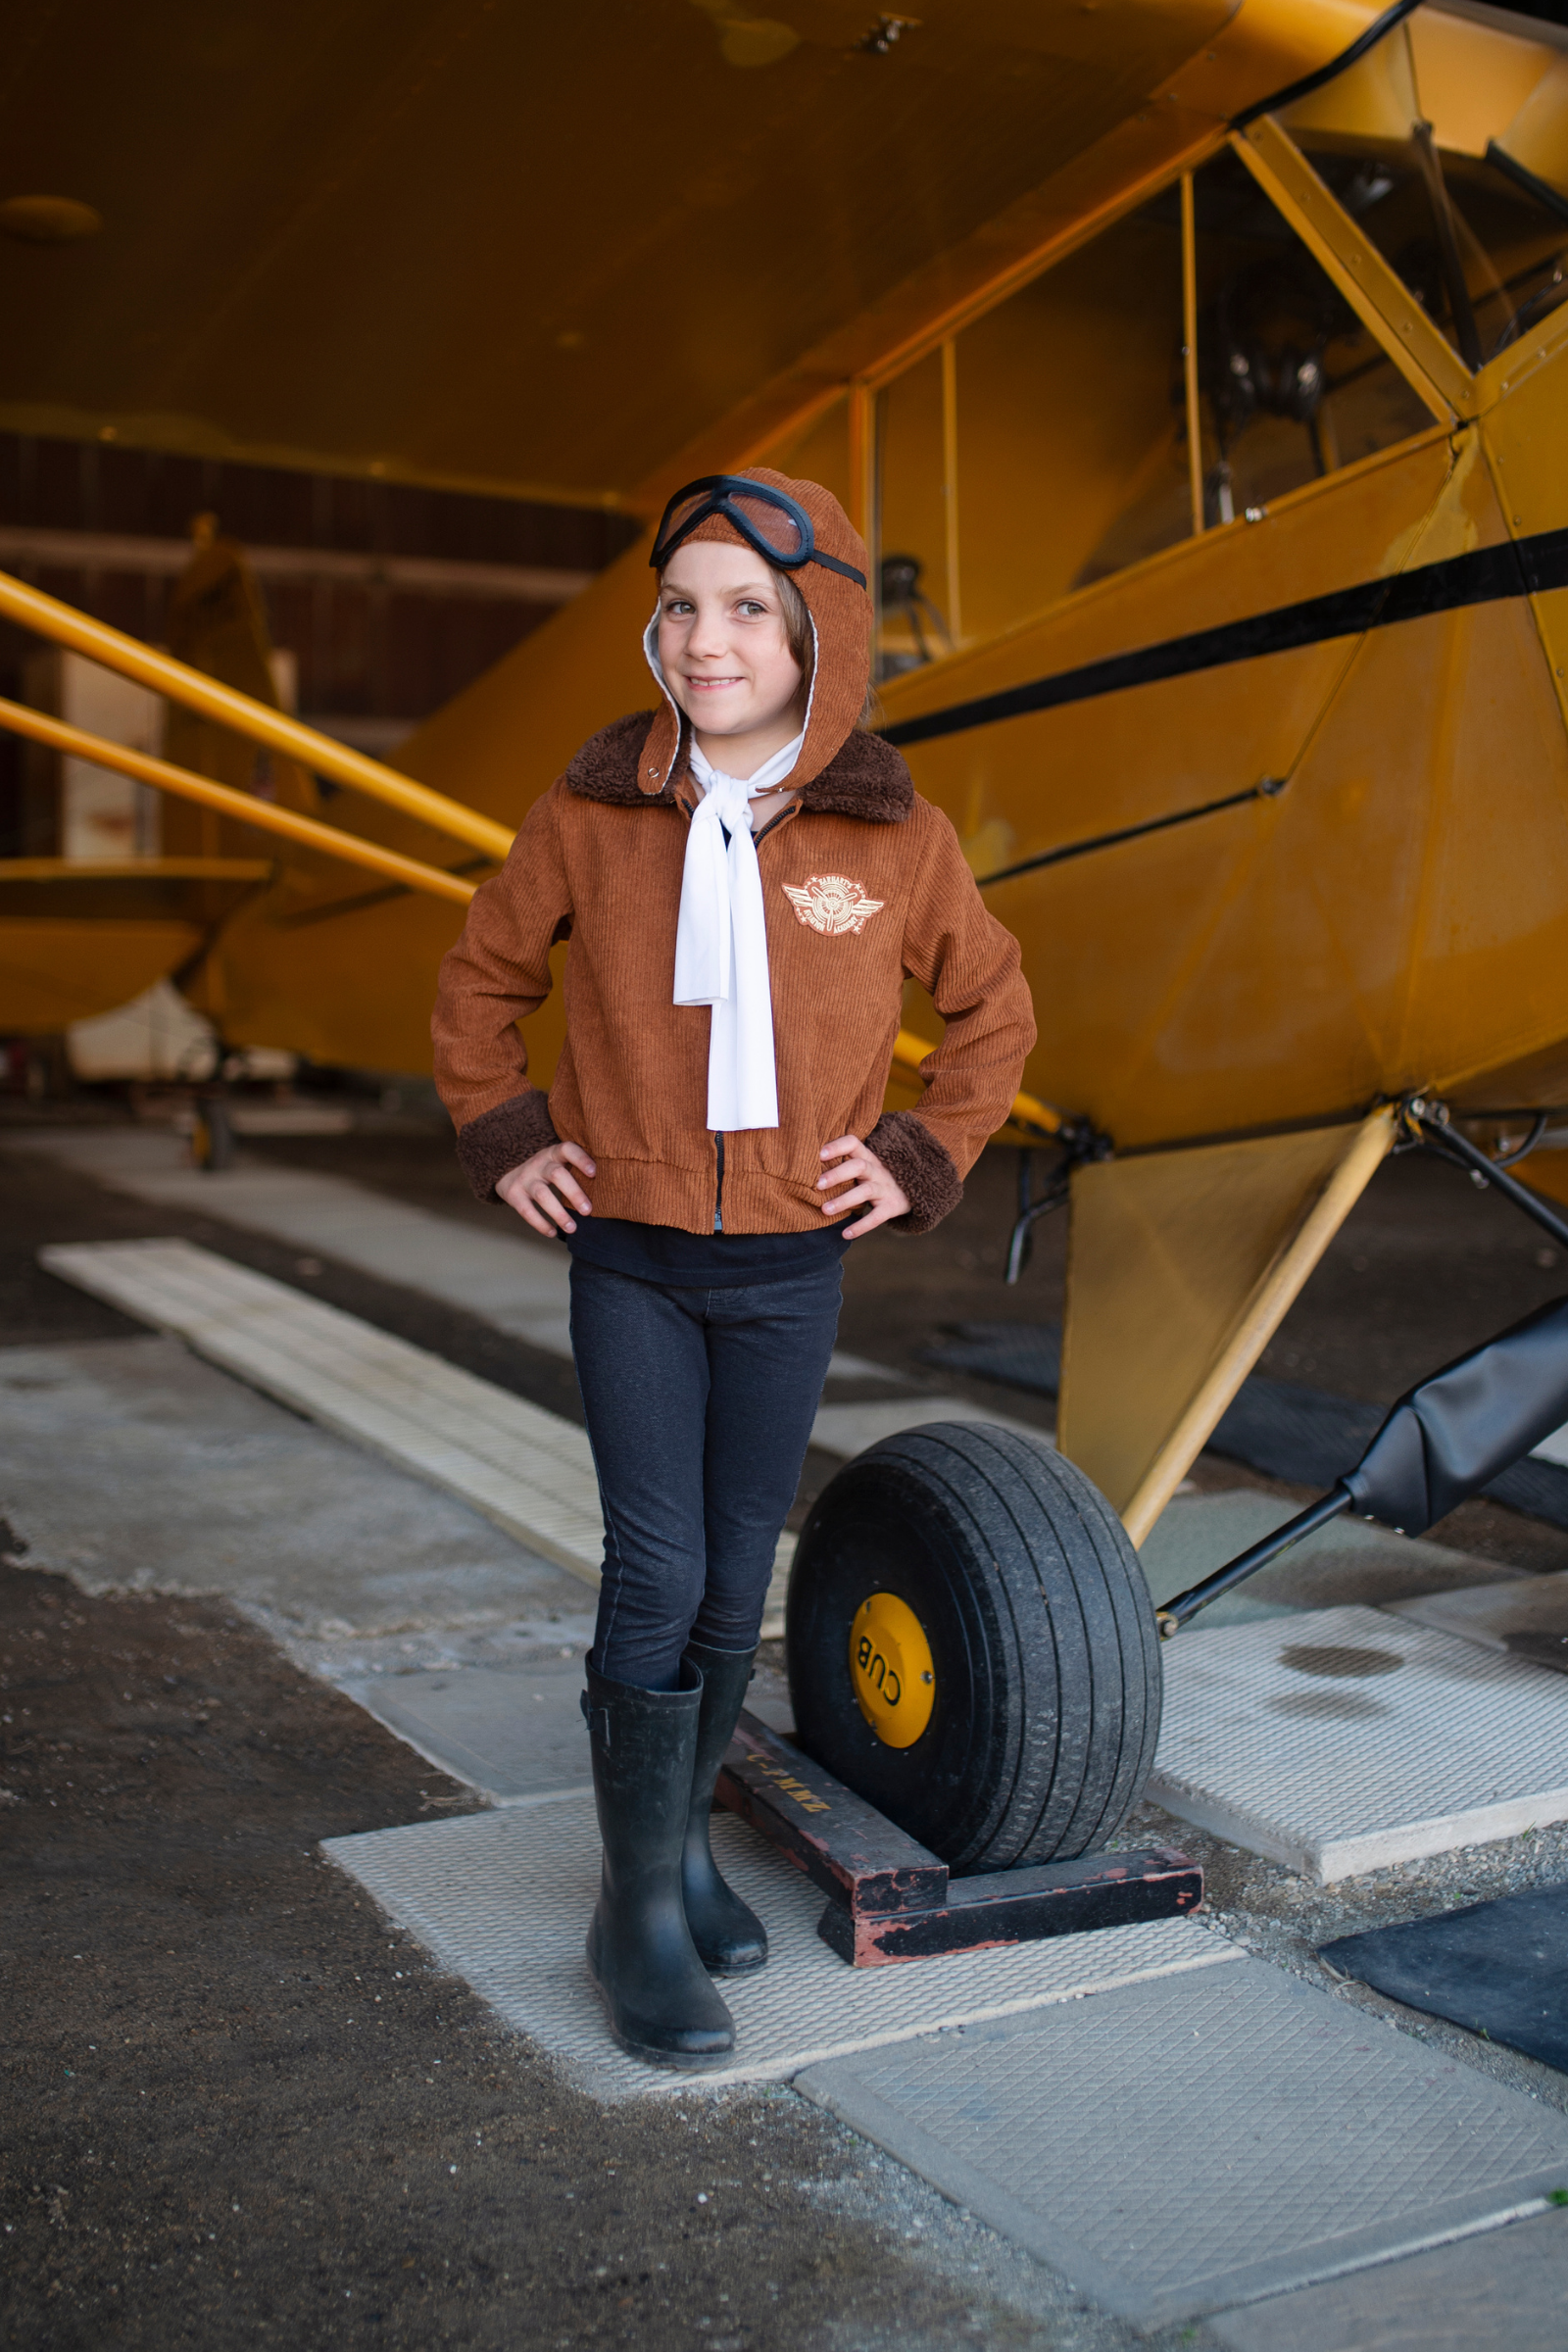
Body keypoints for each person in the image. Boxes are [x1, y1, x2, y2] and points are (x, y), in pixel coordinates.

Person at [431, 469, 1035, 2068]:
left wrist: (910, 1160)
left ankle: (683, 1848)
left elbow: (995, 1014)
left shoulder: (891, 834)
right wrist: (510, 1134)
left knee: (734, 1569)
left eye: (748, 608)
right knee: (656, 1564)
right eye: (682, 604)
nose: (706, 640)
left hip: (788, 1264)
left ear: (819, 629)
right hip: (629, 1254)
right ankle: (630, 1907)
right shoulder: (592, 811)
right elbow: (481, 976)